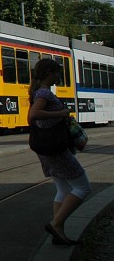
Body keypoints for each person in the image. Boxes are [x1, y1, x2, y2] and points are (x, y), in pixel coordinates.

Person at [27, 57, 90, 246]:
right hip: (55, 148)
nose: (58, 76)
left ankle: (59, 232)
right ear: (49, 73)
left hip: (47, 148)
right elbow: (33, 115)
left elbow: (33, 118)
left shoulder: (38, 92)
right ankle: (56, 224)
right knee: (83, 187)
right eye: (56, 73)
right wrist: (61, 114)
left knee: (63, 188)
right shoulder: (44, 94)